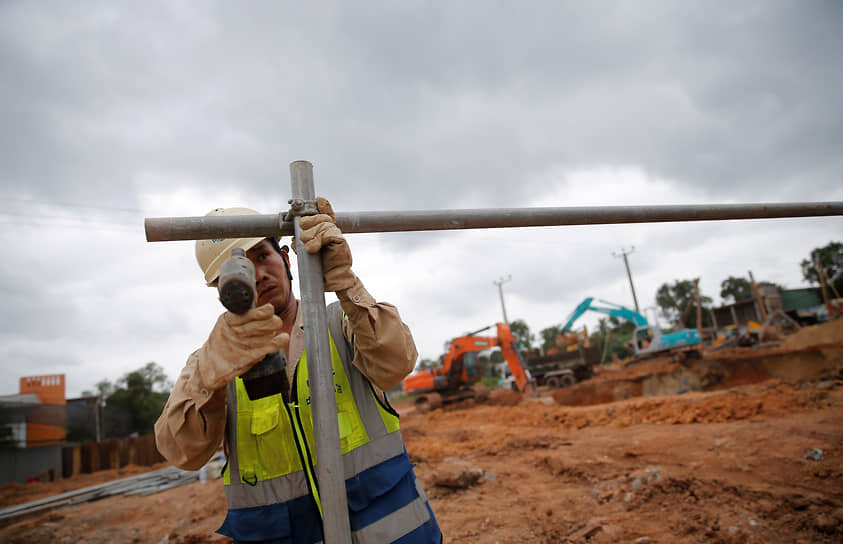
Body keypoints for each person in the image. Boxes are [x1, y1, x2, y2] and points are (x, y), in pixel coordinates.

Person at [154, 199, 442, 544]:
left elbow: (398, 362)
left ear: (287, 258)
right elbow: (181, 452)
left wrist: (346, 284)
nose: (259, 274)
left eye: (263, 256)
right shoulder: (209, 364)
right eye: (241, 267)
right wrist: (207, 379)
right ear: (220, 288)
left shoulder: (341, 323)